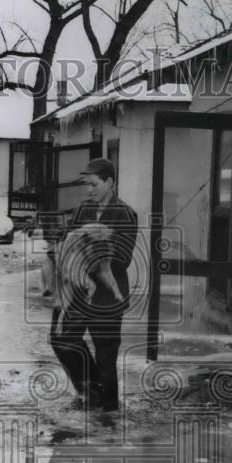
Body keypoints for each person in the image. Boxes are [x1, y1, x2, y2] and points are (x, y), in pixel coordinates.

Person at [50, 158, 138, 414]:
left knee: (106, 354)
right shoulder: (82, 209)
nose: (89, 190)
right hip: (77, 291)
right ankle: (91, 390)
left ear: (110, 182)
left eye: (94, 184)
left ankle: (109, 411)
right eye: (87, 185)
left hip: (107, 297)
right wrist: (60, 245)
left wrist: (90, 251)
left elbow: (124, 258)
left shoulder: (125, 213)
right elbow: (68, 238)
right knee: (61, 339)